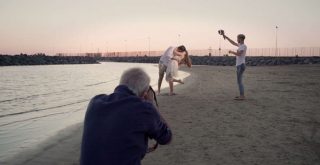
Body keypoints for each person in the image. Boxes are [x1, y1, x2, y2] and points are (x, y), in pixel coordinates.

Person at [80, 68, 172, 165]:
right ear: (144, 93)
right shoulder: (143, 108)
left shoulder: (95, 101)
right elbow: (166, 138)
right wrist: (152, 104)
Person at [222, 32, 247, 100]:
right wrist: (225, 36)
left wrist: (231, 52)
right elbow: (232, 42)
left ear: (241, 39)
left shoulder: (243, 46)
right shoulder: (240, 45)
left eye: (238, 38)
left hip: (241, 65)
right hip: (240, 65)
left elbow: (239, 54)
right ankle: (241, 95)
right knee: (239, 81)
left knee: (239, 81)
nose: (237, 39)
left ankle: (242, 96)